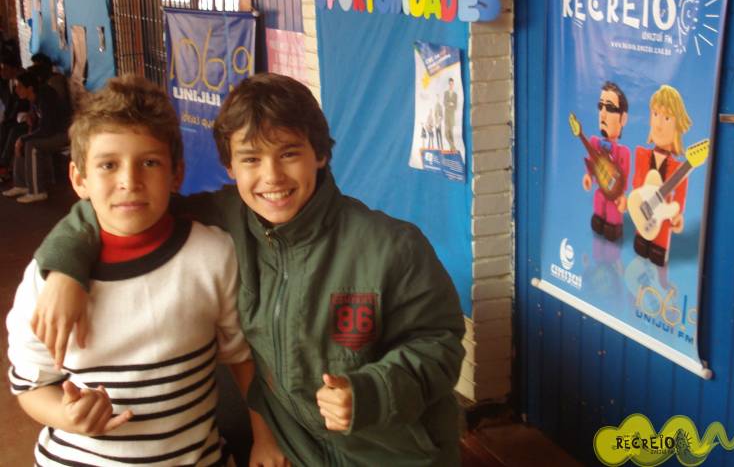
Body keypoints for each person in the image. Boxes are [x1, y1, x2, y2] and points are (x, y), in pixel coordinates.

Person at [31, 73, 466, 466]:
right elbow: (126, 207)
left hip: (391, 453)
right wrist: (66, 267)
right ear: (230, 167)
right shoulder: (222, 220)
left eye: (289, 153)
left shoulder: (392, 247)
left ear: (319, 154)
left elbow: (440, 344)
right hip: (295, 452)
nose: (272, 176)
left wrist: (373, 392)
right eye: (251, 159)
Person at [6, 75, 255, 465]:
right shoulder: (46, 279)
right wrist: (67, 416)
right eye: (108, 165)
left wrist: (264, 436)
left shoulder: (213, 255)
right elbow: (30, 386)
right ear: (79, 179)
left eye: (149, 162)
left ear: (176, 174)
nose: (129, 181)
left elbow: (241, 359)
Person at [631, 85, 692, 267]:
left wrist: (677, 215)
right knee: (639, 250)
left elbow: (679, 196)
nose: (658, 124)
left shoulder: (679, 168)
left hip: (662, 223)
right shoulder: (642, 155)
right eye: (655, 114)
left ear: (677, 126)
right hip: (642, 216)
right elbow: (636, 182)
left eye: (666, 118)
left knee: (657, 258)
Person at [2, 70, 71, 202]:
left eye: (20, 87)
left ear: (30, 88)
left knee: (31, 145)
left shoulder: (46, 96)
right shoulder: (33, 98)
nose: (16, 90)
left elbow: (47, 129)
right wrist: (28, 126)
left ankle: (37, 191)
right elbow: (39, 124)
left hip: (62, 134)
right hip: (51, 133)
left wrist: (23, 139)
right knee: (22, 140)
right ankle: (21, 185)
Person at [581, 81, 630, 241]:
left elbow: (624, 175)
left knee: (612, 215)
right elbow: (591, 161)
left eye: (609, 108)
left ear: (623, 118)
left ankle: (612, 227)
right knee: (598, 202)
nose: (602, 114)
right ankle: (599, 221)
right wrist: (589, 176)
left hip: (613, 195)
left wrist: (621, 195)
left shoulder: (623, 152)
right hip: (601, 190)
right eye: (600, 107)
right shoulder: (594, 143)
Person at [443, 78, 458, 151]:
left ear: (453, 84)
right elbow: (444, 103)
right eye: (450, 84)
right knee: (446, 134)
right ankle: (453, 147)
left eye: (452, 84)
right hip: (446, 116)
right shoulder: (445, 93)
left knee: (451, 134)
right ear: (448, 84)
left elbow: (455, 107)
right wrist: (450, 103)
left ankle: (452, 149)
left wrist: (450, 104)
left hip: (452, 117)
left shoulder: (455, 95)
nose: (451, 85)